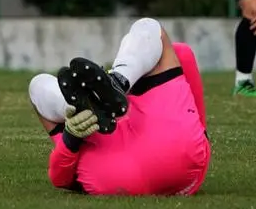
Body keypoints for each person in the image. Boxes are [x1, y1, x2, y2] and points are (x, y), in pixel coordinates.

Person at [28, 18, 211, 197]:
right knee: (147, 28)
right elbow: (182, 55)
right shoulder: (173, 61)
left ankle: (78, 104)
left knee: (38, 86)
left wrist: (71, 138)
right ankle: (119, 79)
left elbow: (60, 178)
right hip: (181, 160)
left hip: (110, 173)